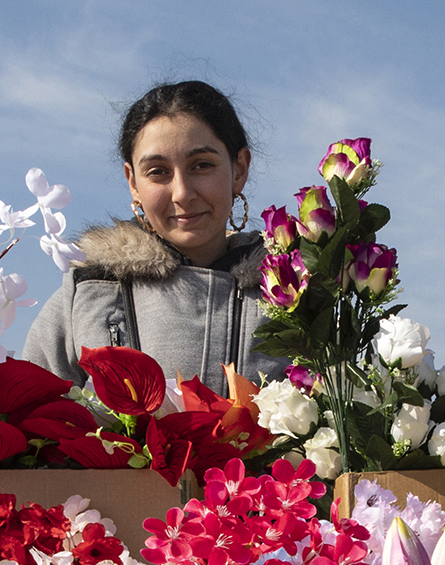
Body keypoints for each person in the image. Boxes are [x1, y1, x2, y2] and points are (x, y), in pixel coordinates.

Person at [22, 80, 287, 390]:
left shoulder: (287, 290)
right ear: (133, 182)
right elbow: (27, 404)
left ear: (239, 169)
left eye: (202, 165)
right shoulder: (90, 289)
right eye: (158, 171)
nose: (182, 193)